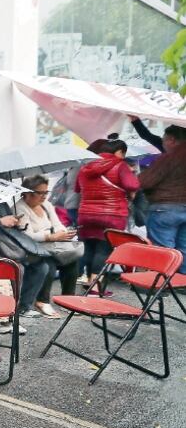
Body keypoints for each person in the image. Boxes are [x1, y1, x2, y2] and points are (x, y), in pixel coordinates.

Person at [76, 138, 140, 292]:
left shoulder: (86, 166)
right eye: (123, 153)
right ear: (118, 152)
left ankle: (83, 282)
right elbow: (133, 185)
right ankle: (95, 288)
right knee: (103, 250)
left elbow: (78, 188)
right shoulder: (120, 165)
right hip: (112, 215)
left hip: (86, 214)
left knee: (89, 248)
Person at [15, 175, 80, 318]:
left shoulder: (46, 205)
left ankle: (68, 299)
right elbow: (28, 236)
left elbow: (57, 225)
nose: (44, 196)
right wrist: (50, 236)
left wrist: (62, 232)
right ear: (27, 192)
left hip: (51, 245)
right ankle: (42, 301)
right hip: (32, 249)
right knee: (47, 263)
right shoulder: (20, 208)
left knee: (71, 261)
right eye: (40, 193)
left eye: (46, 192)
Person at [0, 201, 51, 317]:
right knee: (17, 268)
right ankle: (10, 309)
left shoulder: (0, 203)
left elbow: (9, 225)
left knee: (42, 267)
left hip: (9, 244)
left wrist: (15, 223)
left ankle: (24, 306)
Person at [139, 129, 186, 273]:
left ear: (171, 140)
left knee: (162, 248)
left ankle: (159, 282)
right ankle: (182, 282)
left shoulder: (169, 158)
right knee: (184, 247)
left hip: (165, 207)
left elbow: (145, 181)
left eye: (164, 140)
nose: (162, 143)